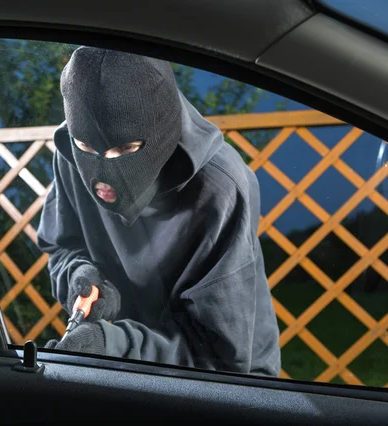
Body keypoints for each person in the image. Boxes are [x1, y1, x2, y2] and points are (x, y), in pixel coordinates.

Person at [36, 46, 281, 376]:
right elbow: (62, 246)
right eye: (88, 148)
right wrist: (79, 275)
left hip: (230, 384)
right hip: (125, 365)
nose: (102, 169)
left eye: (124, 149)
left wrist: (111, 347)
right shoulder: (72, 154)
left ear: (163, 130)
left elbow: (221, 355)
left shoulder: (220, 188)